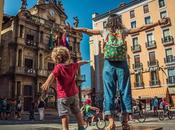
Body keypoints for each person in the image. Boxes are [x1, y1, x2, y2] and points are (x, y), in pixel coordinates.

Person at [68, 14, 168, 130]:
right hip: (122, 64)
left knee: (109, 92)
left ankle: (111, 123)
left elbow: (86, 30)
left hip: (108, 65)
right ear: (119, 21)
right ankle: (125, 122)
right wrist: (158, 22)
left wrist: (73, 28)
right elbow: (141, 28)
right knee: (125, 92)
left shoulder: (104, 31)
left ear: (109, 22)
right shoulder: (123, 31)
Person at [41, 46, 90, 130]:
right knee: (77, 111)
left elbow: (52, 75)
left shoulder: (59, 67)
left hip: (63, 96)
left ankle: (65, 128)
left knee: (64, 114)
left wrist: (47, 83)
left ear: (55, 58)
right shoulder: (73, 66)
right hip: (74, 95)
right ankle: (81, 127)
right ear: (67, 56)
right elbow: (79, 63)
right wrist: (87, 61)